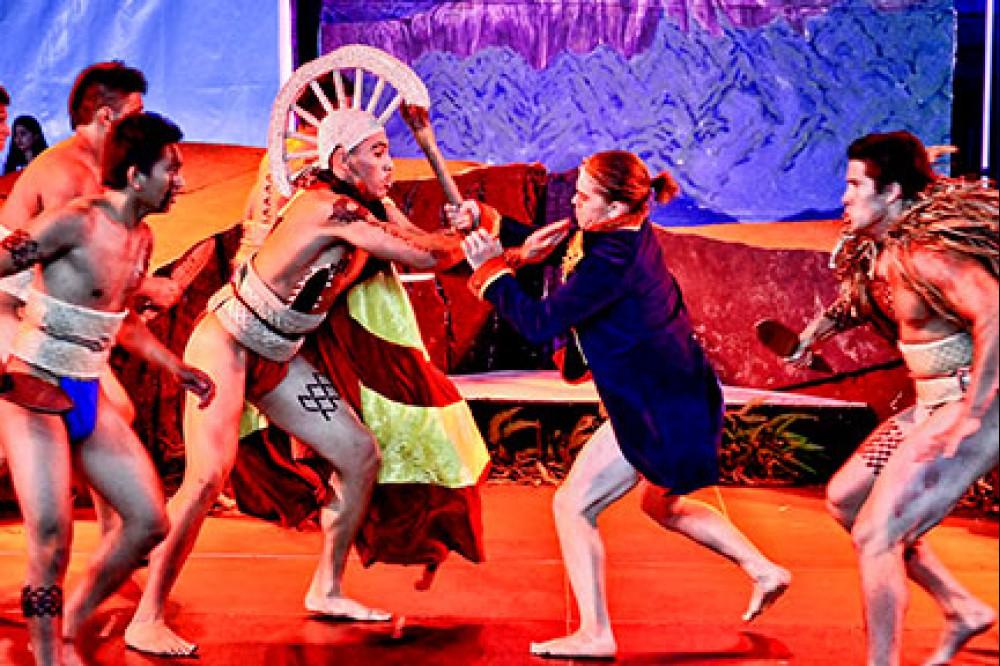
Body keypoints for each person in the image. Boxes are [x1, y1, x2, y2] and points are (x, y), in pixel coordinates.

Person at [124, 99, 476, 658]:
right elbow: (419, 254)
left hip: (277, 357)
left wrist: (463, 229)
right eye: (377, 153)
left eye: (389, 151)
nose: (389, 164)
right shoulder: (329, 207)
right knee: (206, 478)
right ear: (342, 159)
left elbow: (420, 242)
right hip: (227, 345)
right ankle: (146, 618)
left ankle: (327, 588)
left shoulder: (362, 206)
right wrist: (470, 235)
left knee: (359, 455)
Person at [457, 150, 791, 659]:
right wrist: (489, 222)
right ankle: (765, 570)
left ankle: (595, 633)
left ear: (614, 207)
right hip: (674, 394)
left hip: (659, 407)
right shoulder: (622, 232)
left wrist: (491, 271)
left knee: (573, 505)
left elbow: (540, 323)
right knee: (661, 505)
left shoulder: (612, 263)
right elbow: (563, 243)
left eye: (583, 196)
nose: (573, 203)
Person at [0, 112, 215, 666]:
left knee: (148, 522)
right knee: (52, 538)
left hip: (85, 389)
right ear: (137, 176)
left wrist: (175, 367)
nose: (181, 182)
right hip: (31, 389)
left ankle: (72, 623)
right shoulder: (74, 222)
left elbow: (123, 320)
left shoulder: (141, 238)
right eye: (172, 170)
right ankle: (49, 658)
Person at [787, 131, 997, 666]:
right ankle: (961, 607)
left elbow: (994, 311)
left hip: (969, 404)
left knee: (876, 535)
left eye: (856, 185)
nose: (845, 197)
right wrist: (812, 335)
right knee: (845, 500)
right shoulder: (883, 252)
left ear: (892, 192)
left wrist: (975, 412)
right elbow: (858, 303)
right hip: (931, 404)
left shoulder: (928, 255)